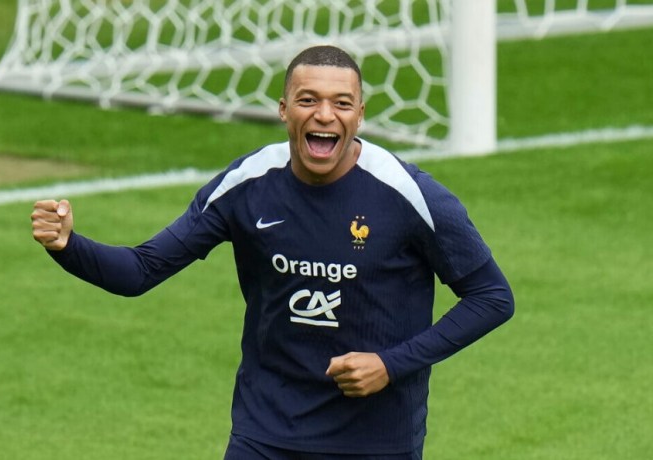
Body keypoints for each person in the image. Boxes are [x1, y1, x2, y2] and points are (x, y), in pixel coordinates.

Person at [31, 45, 514, 459]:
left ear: (360, 114)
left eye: (341, 103)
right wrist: (67, 245)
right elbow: (140, 270)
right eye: (309, 100)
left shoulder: (410, 195)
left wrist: (391, 365)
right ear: (284, 110)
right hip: (266, 432)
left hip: (375, 438)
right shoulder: (246, 185)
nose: (325, 115)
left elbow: (491, 297)